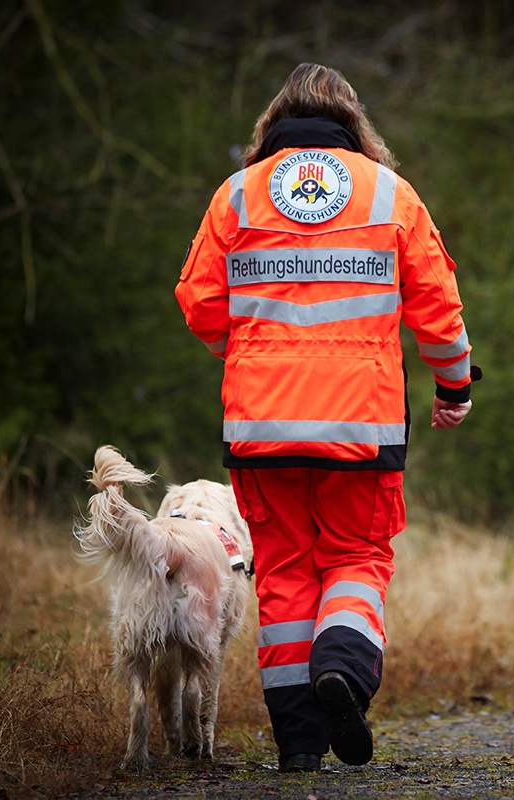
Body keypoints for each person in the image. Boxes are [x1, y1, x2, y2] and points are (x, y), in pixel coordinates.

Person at [175, 63, 477, 772]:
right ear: (354, 124)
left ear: (273, 124)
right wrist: (455, 387)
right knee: (356, 556)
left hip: (258, 425)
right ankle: (340, 667)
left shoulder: (238, 195)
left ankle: (301, 745)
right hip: (362, 426)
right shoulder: (390, 194)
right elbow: (437, 305)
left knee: (281, 572)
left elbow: (198, 302)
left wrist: (248, 349)